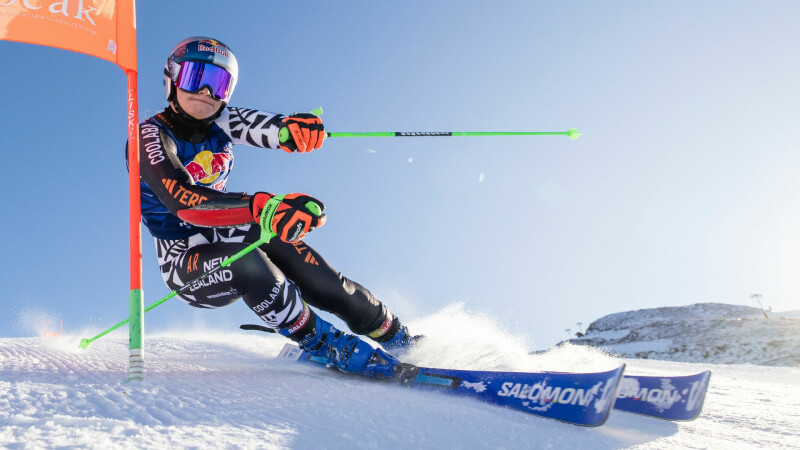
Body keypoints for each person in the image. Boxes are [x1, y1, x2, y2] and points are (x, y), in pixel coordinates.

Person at [130, 36, 416, 379]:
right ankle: (323, 343)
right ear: (172, 79)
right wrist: (264, 207)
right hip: (183, 258)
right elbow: (182, 201)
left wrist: (292, 130)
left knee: (323, 280)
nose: (206, 91)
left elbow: (265, 126)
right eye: (196, 77)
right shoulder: (149, 136)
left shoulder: (222, 120)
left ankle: (400, 339)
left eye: (219, 83)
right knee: (249, 264)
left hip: (229, 226)